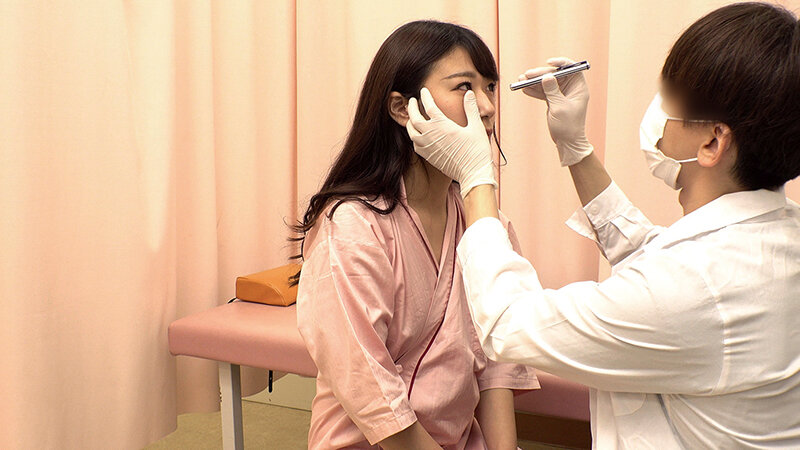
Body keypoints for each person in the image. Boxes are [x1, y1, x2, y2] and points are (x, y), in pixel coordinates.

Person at [405, 2, 800, 448]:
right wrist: (575, 147)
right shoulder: (772, 239)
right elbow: (649, 257)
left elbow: (507, 323)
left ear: (712, 141)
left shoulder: (700, 286)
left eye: (670, 96)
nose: (486, 106)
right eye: (465, 87)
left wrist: (476, 178)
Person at [292, 20, 538, 450]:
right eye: (464, 87)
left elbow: (496, 361)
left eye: (490, 87)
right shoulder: (354, 225)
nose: (486, 107)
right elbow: (367, 385)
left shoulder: (487, 225)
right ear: (401, 108)